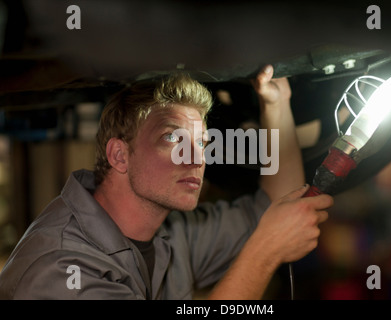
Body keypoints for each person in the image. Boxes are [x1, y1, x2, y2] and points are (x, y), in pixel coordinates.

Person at [0, 65, 333, 299]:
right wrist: (265, 252)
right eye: (174, 139)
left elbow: (274, 208)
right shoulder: (62, 270)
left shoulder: (170, 233)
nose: (197, 158)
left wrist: (276, 103)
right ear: (119, 155)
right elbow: (267, 236)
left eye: (201, 143)